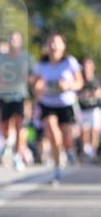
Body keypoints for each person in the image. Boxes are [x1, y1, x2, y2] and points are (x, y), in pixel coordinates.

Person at [30, 33, 82, 185]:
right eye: (50, 42)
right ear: (47, 46)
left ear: (63, 46)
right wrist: (38, 88)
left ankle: (68, 150)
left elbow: (79, 82)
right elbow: (35, 84)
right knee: (53, 134)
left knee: (66, 138)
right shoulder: (42, 64)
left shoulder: (69, 62)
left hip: (65, 103)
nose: (53, 46)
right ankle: (57, 168)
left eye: (56, 42)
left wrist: (68, 85)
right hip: (47, 103)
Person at [0, 30, 31, 171]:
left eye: (16, 39)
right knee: (5, 127)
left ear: (20, 42)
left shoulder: (26, 57)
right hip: (4, 96)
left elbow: (33, 75)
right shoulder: (1, 58)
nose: (13, 42)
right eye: (11, 39)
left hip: (20, 96)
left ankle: (18, 156)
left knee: (19, 125)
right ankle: (8, 144)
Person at [78, 57, 101, 162]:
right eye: (85, 66)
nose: (86, 68)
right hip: (82, 109)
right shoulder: (80, 80)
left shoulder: (96, 79)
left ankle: (93, 152)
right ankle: (86, 151)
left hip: (94, 108)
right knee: (84, 131)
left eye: (88, 65)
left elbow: (98, 92)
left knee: (94, 130)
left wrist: (90, 94)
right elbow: (77, 93)